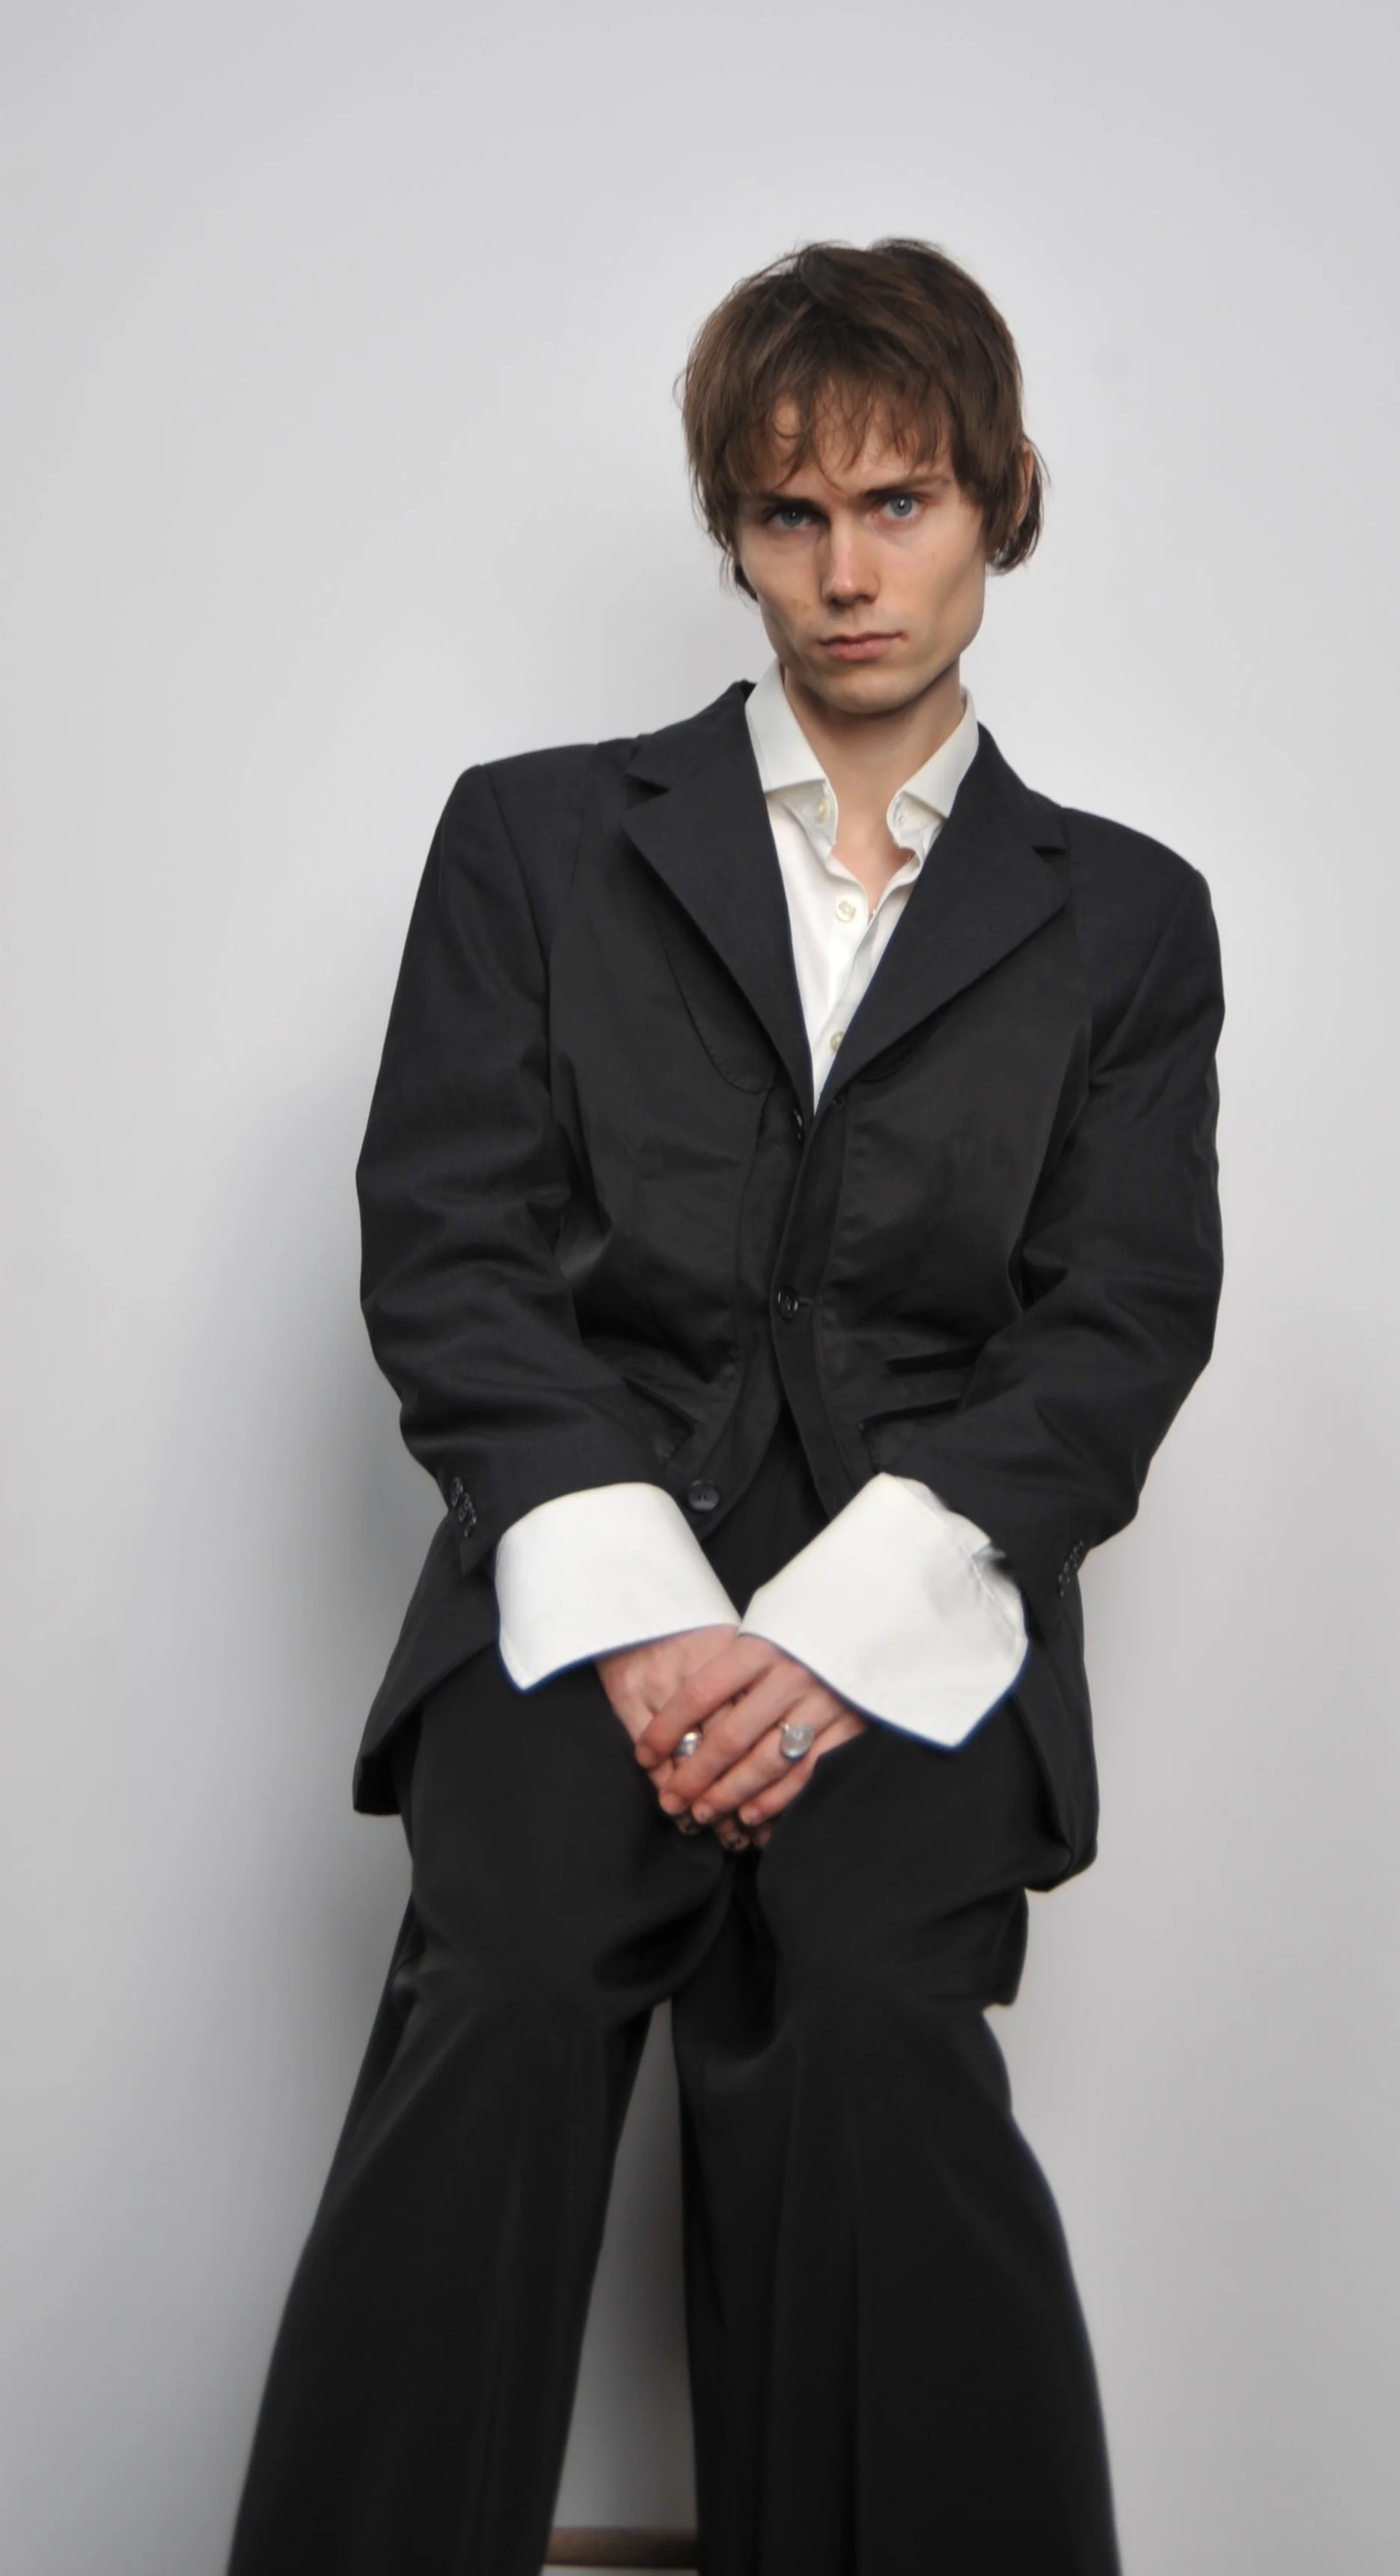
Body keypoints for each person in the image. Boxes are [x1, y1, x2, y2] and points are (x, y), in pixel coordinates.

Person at [226, 237, 1225, 2576]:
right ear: (731, 531)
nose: (848, 569)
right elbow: (451, 1247)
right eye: (791, 515)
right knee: (506, 1989)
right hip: (585, 1583)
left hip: (920, 1611)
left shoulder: (1123, 920)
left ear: (998, 504)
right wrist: (654, 1623)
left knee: (879, 2027)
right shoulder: (537, 839)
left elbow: (1118, 1327)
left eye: (900, 502)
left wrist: (833, 1636)